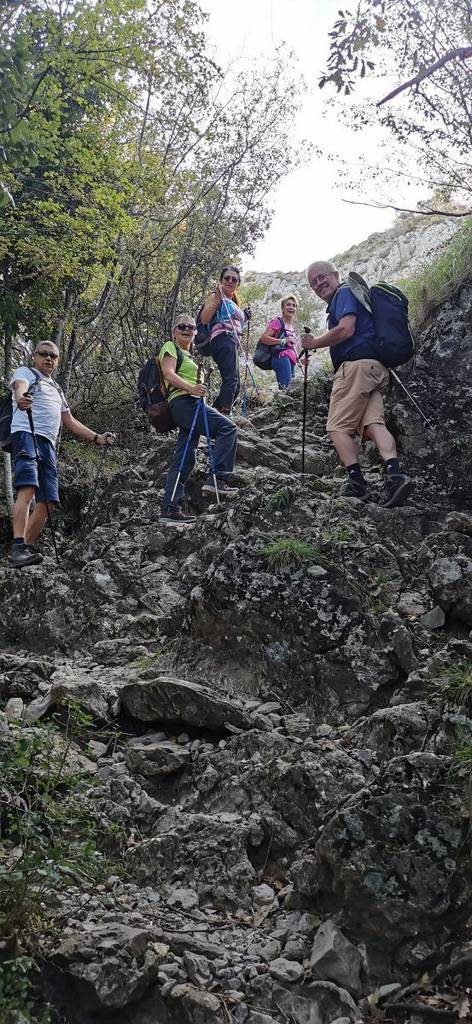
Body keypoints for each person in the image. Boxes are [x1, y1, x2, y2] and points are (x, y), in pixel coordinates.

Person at [303, 261, 414, 508]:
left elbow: (345, 329)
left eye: (322, 277)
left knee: (337, 428)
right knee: (373, 425)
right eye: (314, 282)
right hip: (375, 368)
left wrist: (314, 343)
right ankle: (395, 476)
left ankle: (357, 483)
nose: (319, 284)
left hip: (354, 368)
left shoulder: (343, 293)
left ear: (336, 275)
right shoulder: (351, 295)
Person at [9, 340, 114, 567]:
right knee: (27, 488)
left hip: (48, 443)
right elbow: (19, 387)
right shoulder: (25, 372)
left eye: (53, 356)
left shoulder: (57, 389)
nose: (49, 359)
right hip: (26, 434)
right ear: (34, 357)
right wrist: (21, 400)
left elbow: (69, 420)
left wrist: (96, 438)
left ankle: (24, 550)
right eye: (44, 354)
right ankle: (17, 547)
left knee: (49, 502)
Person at [159, 315, 239, 526]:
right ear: (174, 331)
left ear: (195, 332)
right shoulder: (170, 346)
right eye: (182, 326)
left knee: (185, 458)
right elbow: (168, 373)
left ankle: (170, 508)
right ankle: (218, 479)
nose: (187, 329)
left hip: (187, 405)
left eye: (191, 327)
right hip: (185, 403)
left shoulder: (189, 356)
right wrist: (191, 388)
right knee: (227, 428)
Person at [199, 264, 246, 414]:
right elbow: (205, 319)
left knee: (236, 384)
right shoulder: (215, 296)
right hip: (222, 338)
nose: (230, 281)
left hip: (232, 341)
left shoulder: (234, 302)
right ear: (221, 280)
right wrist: (217, 299)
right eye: (227, 278)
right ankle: (225, 414)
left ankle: (213, 414)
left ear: (238, 283)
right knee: (231, 379)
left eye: (234, 279)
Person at [258, 294, 300, 390]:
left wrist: (301, 361)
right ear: (283, 308)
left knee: (291, 393)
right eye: (288, 305)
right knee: (286, 391)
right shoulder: (277, 322)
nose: (291, 307)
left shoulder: (292, 328)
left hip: (291, 362)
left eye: (294, 306)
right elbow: (264, 338)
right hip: (281, 358)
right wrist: (283, 340)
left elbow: (291, 350)